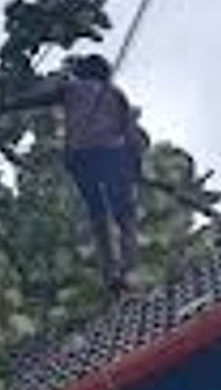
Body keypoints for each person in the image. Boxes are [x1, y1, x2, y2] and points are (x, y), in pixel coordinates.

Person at [17, 54, 147, 288]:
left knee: (98, 215)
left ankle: (109, 275)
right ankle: (130, 271)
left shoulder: (71, 90)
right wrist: (136, 168)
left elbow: (38, 100)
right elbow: (130, 135)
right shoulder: (115, 94)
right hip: (111, 155)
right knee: (125, 218)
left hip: (81, 158)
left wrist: (6, 105)